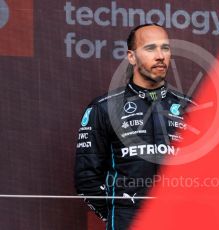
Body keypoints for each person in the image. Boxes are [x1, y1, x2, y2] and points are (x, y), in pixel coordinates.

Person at [74, 23, 195, 230]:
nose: (160, 56)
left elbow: (207, 173)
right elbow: (87, 178)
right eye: (150, 48)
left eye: (165, 48)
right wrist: (118, 214)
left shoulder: (192, 109)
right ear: (131, 57)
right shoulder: (104, 108)